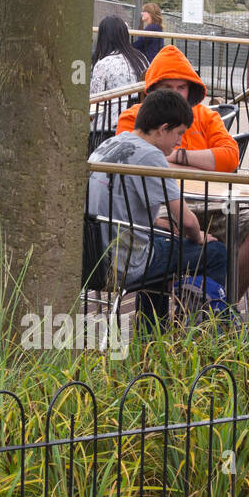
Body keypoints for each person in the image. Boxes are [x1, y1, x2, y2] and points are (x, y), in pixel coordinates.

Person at [89, 89, 229, 328]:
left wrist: (153, 224)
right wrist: (198, 237)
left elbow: (114, 205)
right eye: (178, 133)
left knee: (159, 250)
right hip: (124, 263)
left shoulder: (109, 144)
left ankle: (152, 337)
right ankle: (203, 331)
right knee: (215, 253)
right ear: (163, 128)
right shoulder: (151, 156)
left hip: (92, 260)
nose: (179, 142)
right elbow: (188, 222)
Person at [115, 45, 239, 172]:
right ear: (153, 90)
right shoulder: (132, 117)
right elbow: (132, 161)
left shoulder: (206, 116)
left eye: (181, 87)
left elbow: (231, 158)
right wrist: (202, 171)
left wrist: (177, 156)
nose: (175, 94)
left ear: (190, 89)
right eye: (167, 87)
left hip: (206, 191)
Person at [91, 15, 149, 130]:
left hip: (111, 125)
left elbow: (94, 101)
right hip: (141, 119)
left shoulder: (103, 64)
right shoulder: (141, 58)